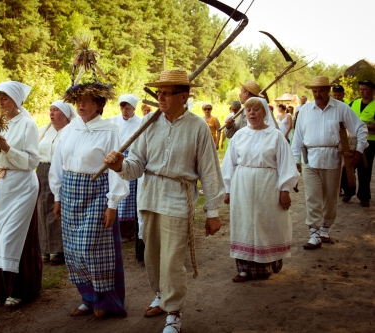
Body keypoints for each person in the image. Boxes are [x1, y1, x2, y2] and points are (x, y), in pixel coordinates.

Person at [104, 69, 225, 333]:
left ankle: (174, 312)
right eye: (158, 92)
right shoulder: (148, 124)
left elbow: (209, 170)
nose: (160, 97)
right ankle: (160, 294)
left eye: (166, 93)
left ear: (183, 97)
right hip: (149, 197)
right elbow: (136, 165)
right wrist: (120, 164)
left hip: (178, 199)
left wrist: (212, 211)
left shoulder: (198, 127)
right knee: (153, 255)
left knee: (172, 259)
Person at [49, 82, 130, 318]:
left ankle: (107, 301)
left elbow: (115, 168)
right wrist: (57, 197)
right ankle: (88, 298)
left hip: (96, 194)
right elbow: (58, 164)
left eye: (87, 100)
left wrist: (112, 204)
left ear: (99, 104)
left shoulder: (109, 130)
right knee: (74, 250)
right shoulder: (69, 129)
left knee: (93, 248)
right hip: (70, 193)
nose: (81, 105)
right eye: (78, 101)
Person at [0, 81, 42, 307]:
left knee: (12, 235)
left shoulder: (27, 124)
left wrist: (8, 149)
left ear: (16, 100)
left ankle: (20, 289)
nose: (1, 103)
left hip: (21, 185)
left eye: (5, 98)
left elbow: (32, 160)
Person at [221, 97, 300, 282]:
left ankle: (268, 264)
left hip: (268, 186)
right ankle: (243, 269)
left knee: (266, 222)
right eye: (248, 110)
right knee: (244, 223)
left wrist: (285, 190)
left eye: (256, 110)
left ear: (265, 113)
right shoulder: (239, 135)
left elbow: (286, 164)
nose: (251, 113)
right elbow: (229, 164)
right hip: (243, 186)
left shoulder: (276, 136)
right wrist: (228, 189)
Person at [291, 76, 368, 249]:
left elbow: (361, 128)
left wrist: (359, 150)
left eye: (321, 91)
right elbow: (297, 137)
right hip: (310, 158)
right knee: (312, 196)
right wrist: (295, 160)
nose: (317, 94)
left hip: (333, 158)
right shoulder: (304, 110)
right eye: (314, 91)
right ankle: (314, 233)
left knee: (330, 196)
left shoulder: (341, 108)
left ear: (328, 90)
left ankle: (326, 228)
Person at [37, 100, 76, 265]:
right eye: (50, 110)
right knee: (42, 209)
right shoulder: (44, 131)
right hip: (42, 171)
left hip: (61, 170)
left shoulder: (72, 131)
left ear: (66, 115)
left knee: (57, 208)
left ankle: (59, 249)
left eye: (56, 110)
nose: (51, 113)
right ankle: (44, 248)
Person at [111, 94, 142, 242]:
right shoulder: (114, 120)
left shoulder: (140, 122)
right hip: (117, 158)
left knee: (130, 195)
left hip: (132, 158)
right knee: (116, 189)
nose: (125, 111)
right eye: (122, 108)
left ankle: (130, 230)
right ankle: (118, 228)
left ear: (134, 108)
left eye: (128, 108)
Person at [341, 80, 375, 207]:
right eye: (360, 89)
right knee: (348, 167)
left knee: (365, 169)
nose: (361, 91)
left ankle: (364, 196)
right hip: (351, 141)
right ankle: (348, 192)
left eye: (365, 89)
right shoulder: (353, 103)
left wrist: (363, 127)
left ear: (372, 91)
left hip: (370, 142)